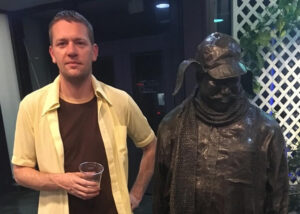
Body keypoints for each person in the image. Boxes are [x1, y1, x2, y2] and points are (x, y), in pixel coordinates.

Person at [12, 10, 156, 214]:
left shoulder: (119, 100)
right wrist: (62, 181)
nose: (71, 51)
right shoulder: (32, 105)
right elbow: (20, 172)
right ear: (53, 54)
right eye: (62, 43)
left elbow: (151, 145)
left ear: (94, 51)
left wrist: (137, 193)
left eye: (80, 42)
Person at [153, 32, 289, 214]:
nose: (225, 90)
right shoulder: (172, 126)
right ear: (199, 77)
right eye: (217, 81)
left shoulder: (266, 129)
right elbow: (161, 195)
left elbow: (278, 200)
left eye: (232, 81)